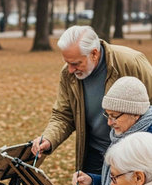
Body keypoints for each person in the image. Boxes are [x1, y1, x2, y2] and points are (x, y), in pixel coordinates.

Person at [31, 25, 152, 175]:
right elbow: (63, 115)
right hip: (94, 153)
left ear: (94, 54)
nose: (70, 69)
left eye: (75, 63)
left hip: (132, 155)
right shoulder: (68, 74)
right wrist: (49, 139)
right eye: (67, 63)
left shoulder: (131, 62)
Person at [65, 76, 152, 185]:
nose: (109, 122)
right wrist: (92, 182)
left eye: (114, 116)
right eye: (107, 115)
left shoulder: (145, 143)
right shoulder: (122, 134)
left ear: (135, 113)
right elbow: (119, 182)